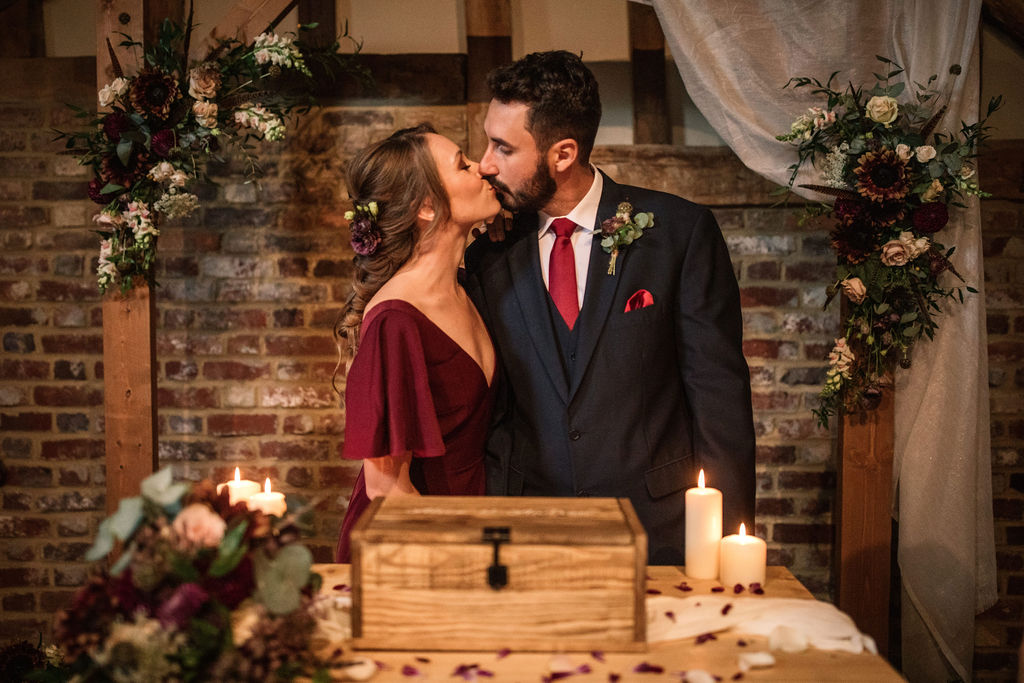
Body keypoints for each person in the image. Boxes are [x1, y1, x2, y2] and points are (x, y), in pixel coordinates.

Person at [465, 51, 756, 565]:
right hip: (529, 533)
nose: (486, 163)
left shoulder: (679, 234)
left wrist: (728, 543)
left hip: (657, 531)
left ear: (562, 154)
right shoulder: (489, 251)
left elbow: (718, 397)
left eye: (503, 147)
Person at [334, 123, 501, 562]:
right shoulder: (396, 321)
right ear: (427, 206)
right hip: (406, 548)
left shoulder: (468, 289)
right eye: (463, 165)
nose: (483, 168)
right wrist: (463, 555)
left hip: (466, 522)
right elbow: (387, 488)